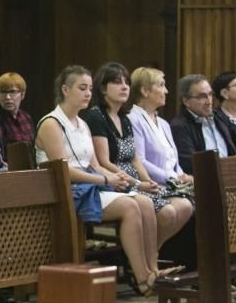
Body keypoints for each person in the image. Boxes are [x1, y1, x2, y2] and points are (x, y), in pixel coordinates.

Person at [34, 65, 162, 295]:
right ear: (65, 89)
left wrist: (120, 178)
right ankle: (143, 278)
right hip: (65, 192)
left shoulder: (82, 124)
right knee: (130, 207)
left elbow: (95, 165)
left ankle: (154, 271)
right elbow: (62, 170)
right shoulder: (51, 123)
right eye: (82, 88)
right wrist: (104, 181)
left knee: (145, 202)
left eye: (90, 89)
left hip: (89, 184)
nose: (87, 94)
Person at [81, 63, 192, 251]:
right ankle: (143, 258)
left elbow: (134, 158)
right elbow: (104, 162)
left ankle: (147, 255)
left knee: (185, 206)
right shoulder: (96, 117)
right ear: (102, 88)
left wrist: (148, 181)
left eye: (126, 82)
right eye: (117, 82)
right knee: (167, 212)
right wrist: (139, 184)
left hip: (135, 178)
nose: (125, 86)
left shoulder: (124, 117)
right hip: (116, 180)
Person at [170, 74, 236, 174]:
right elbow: (190, 163)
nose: (209, 101)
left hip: (232, 175)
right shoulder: (180, 126)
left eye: (210, 94)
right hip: (206, 180)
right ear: (186, 101)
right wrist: (224, 167)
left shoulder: (219, 116)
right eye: (202, 97)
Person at [127, 67, 192, 188]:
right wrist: (171, 178)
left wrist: (183, 176)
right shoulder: (133, 119)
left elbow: (173, 162)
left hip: (174, 183)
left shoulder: (164, 124)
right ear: (145, 91)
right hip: (153, 185)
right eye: (161, 85)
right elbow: (140, 160)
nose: (166, 91)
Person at [0, 72, 34, 144]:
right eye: (3, 92)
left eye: (13, 92)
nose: (8, 97)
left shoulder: (26, 117)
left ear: (22, 94)